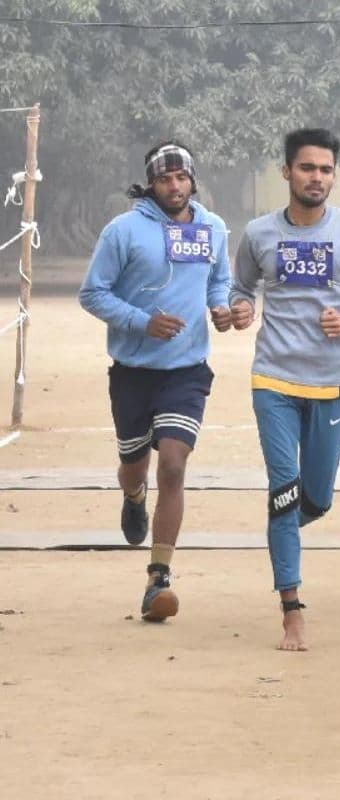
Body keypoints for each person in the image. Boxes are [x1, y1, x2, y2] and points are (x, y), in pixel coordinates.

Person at [229, 128, 340, 651]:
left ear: (335, 176)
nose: (316, 178)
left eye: (325, 170)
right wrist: (242, 308)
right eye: (306, 168)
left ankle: (283, 528)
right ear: (287, 173)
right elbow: (240, 287)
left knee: (316, 499)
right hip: (272, 378)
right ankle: (292, 610)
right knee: (284, 488)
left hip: (329, 383)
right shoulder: (258, 233)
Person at [79, 141, 232, 622]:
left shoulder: (213, 228)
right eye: (164, 179)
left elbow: (218, 281)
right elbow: (92, 293)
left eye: (181, 177)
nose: (174, 186)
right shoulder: (122, 231)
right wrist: (141, 321)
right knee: (134, 463)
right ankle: (132, 496)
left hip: (187, 370)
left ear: (192, 180)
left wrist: (222, 307)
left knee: (173, 463)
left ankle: (158, 578)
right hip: (133, 371)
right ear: (151, 183)